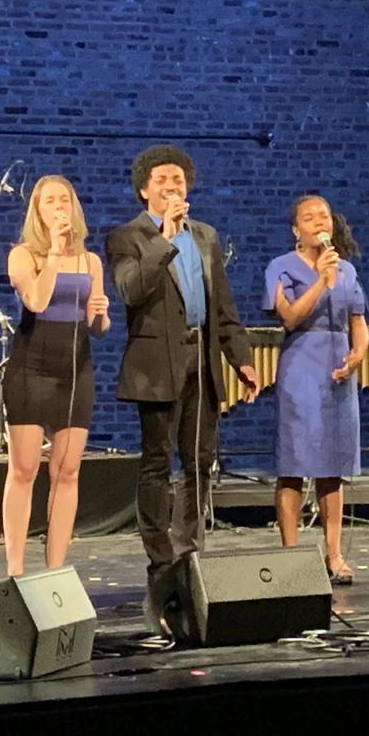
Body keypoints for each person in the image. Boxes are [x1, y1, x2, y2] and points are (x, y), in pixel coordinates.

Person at [106, 144, 259, 630]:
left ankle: (190, 549)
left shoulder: (207, 236)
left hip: (201, 357)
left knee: (199, 459)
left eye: (180, 180)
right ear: (145, 189)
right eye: (164, 180)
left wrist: (242, 358)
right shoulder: (127, 237)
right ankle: (160, 557)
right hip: (156, 363)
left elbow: (223, 306)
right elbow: (131, 290)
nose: (174, 186)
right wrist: (165, 237)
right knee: (156, 463)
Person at [1, 175, 110, 577]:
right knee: (24, 468)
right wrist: (54, 255)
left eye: (64, 199)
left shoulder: (91, 261)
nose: (58, 206)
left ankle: (55, 569)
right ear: (38, 211)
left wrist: (99, 312)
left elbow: (99, 328)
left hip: (75, 371)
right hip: (31, 368)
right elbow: (38, 300)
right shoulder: (23, 255)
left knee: (67, 472)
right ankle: (15, 569)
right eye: (50, 201)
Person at [264, 195, 369, 585]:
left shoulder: (346, 269)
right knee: (294, 464)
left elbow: (358, 319)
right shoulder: (281, 267)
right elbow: (290, 317)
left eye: (323, 215)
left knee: (333, 466)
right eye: (308, 217)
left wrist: (358, 354)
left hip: (338, 364)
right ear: (296, 230)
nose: (317, 221)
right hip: (301, 365)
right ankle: (291, 554)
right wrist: (322, 282)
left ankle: (334, 553)